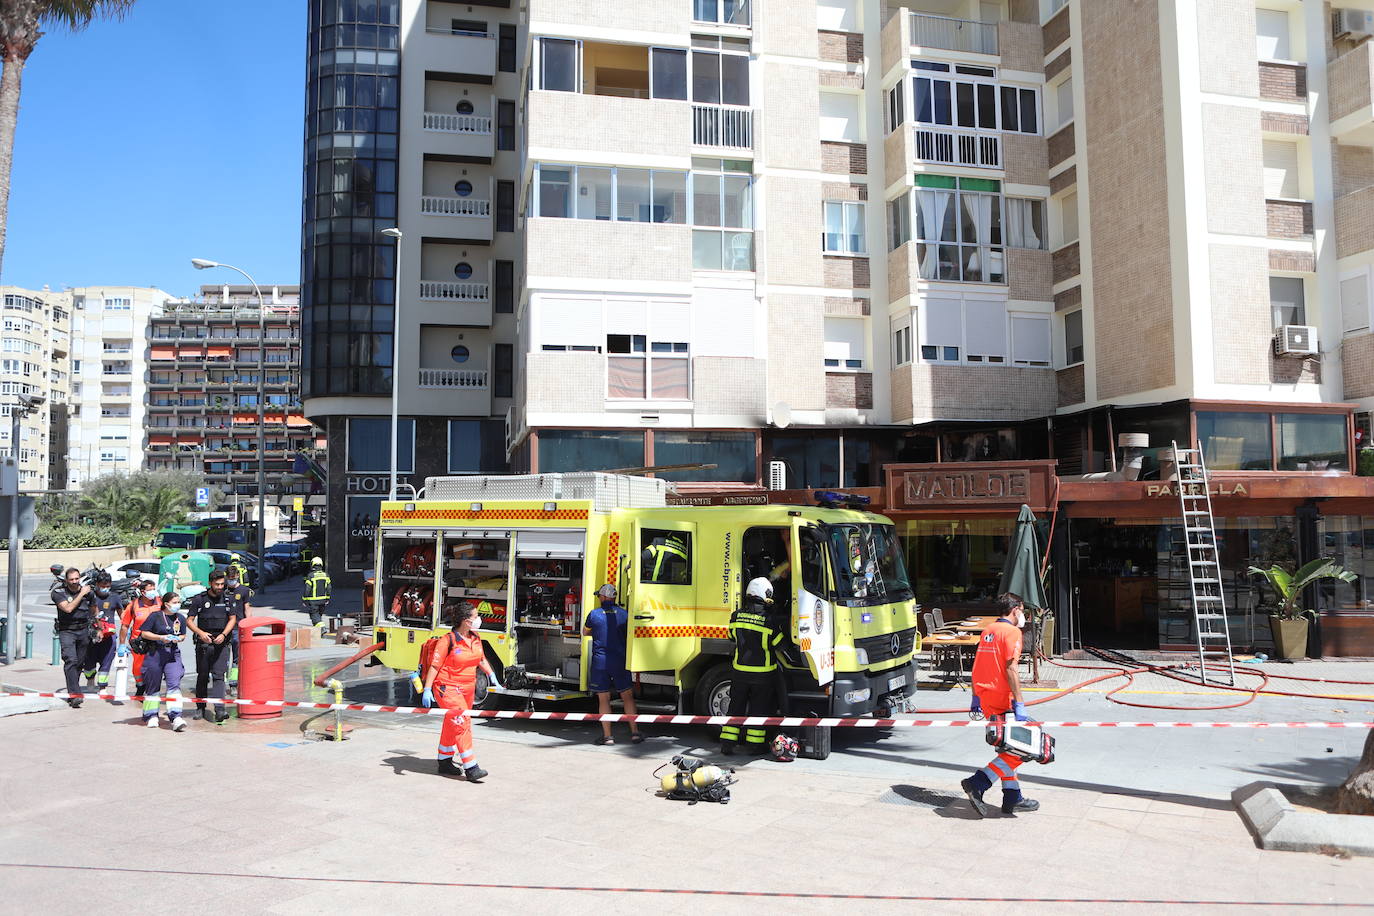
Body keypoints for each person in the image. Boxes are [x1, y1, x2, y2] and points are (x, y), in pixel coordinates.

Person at [961, 592, 1039, 818]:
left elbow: (977, 665)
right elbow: (1011, 668)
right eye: (1022, 610)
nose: (1023, 615)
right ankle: (979, 781)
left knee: (1008, 747)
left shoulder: (988, 630)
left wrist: (975, 697)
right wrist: (1020, 703)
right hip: (1004, 698)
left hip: (987, 697)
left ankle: (1012, 797)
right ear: (1015, 610)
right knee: (1022, 749)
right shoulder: (1012, 632)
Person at [420, 602, 494, 782]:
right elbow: (435, 666)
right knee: (462, 724)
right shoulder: (447, 640)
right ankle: (471, 767)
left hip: (468, 688)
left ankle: (444, 760)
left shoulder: (475, 637)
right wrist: (427, 689)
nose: (479, 619)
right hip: (447, 687)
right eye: (475, 616)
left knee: (452, 722)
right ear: (465, 621)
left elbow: (481, 659)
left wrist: (491, 675)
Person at [720, 577, 784, 755]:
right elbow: (779, 644)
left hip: (739, 672)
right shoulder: (769, 620)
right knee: (758, 710)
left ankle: (727, 744)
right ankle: (754, 746)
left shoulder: (736, 616)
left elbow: (731, 636)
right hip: (762, 675)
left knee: (735, 708)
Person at [583, 584, 643, 746]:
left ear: (603, 597)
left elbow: (585, 632)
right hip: (619, 660)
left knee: (603, 698)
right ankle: (635, 733)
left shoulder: (594, 614)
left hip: (601, 662)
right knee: (627, 696)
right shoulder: (624, 614)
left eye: (599, 596)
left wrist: (598, 631)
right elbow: (630, 633)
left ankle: (608, 737)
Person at [185, 569, 238, 724]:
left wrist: (224, 634)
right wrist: (200, 633)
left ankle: (220, 710)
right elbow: (189, 621)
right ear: (210, 583)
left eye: (222, 584)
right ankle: (200, 708)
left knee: (219, 676)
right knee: (202, 676)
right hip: (204, 644)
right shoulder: (199, 599)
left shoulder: (228, 599)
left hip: (221, 643)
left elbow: (232, 619)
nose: (220, 587)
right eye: (217, 584)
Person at [137, 592, 189, 731]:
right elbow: (144, 633)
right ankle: (151, 715)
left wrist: (178, 638)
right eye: (175, 602)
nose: (178, 605)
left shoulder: (180, 618)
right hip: (155, 653)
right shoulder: (155, 616)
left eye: (179, 602)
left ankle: (176, 716)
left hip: (172, 653)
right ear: (166, 604)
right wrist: (160, 637)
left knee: (174, 683)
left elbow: (183, 635)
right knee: (153, 685)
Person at [51, 567, 94, 708]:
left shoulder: (88, 592)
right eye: (71, 579)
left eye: (77, 578)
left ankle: (73, 691)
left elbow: (93, 609)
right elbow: (68, 608)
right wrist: (81, 594)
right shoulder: (59, 593)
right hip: (67, 630)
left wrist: (98, 626)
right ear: (66, 580)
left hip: (83, 630)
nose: (75, 581)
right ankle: (75, 695)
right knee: (71, 660)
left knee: (79, 663)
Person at [81, 571, 126, 691]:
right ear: (97, 584)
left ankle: (102, 687)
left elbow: (123, 616)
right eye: (102, 586)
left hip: (108, 636)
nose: (105, 588)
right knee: (89, 660)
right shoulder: (90, 596)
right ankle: (90, 679)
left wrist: (127, 628)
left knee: (106, 661)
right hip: (92, 634)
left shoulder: (115, 597)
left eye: (107, 586)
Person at [120, 578, 164, 693]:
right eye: (150, 590)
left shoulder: (160, 602)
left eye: (154, 589)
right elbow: (125, 625)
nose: (153, 592)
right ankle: (140, 686)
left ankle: (152, 688)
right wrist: (121, 645)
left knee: (154, 666)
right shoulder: (133, 605)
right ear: (143, 592)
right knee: (138, 667)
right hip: (139, 642)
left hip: (156, 639)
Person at [224, 566, 254, 689]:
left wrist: (249, 624)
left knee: (236, 658)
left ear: (237, 576)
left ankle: (233, 683)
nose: (231, 580)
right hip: (224, 628)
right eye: (229, 578)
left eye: (233, 577)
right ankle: (222, 682)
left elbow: (247, 608)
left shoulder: (244, 590)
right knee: (224, 657)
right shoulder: (222, 589)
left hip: (238, 627)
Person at [302, 556, 332, 628]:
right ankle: (319, 630)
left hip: (313, 601)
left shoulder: (311, 575)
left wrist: (304, 599)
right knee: (319, 616)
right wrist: (327, 598)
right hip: (323, 600)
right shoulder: (326, 575)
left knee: (314, 616)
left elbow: (307, 589)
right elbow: (329, 588)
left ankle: (322, 628)